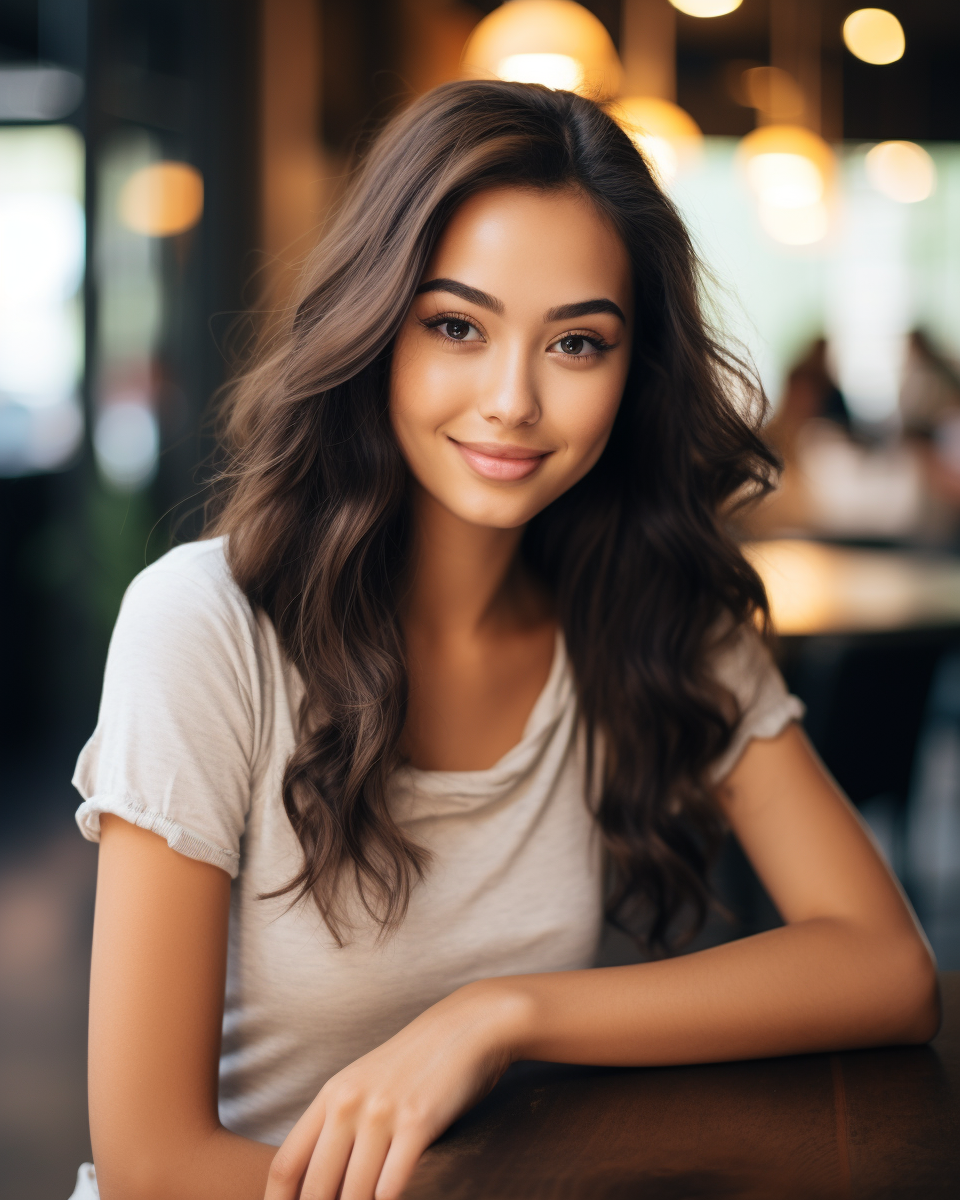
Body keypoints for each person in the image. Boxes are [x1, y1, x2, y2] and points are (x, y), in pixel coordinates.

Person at [70, 81, 939, 1200]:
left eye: (577, 343)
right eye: (456, 326)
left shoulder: (649, 608)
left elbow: (886, 966)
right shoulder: (204, 626)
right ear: (375, 325)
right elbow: (154, 1165)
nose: (513, 401)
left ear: (635, 373)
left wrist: (501, 1015)